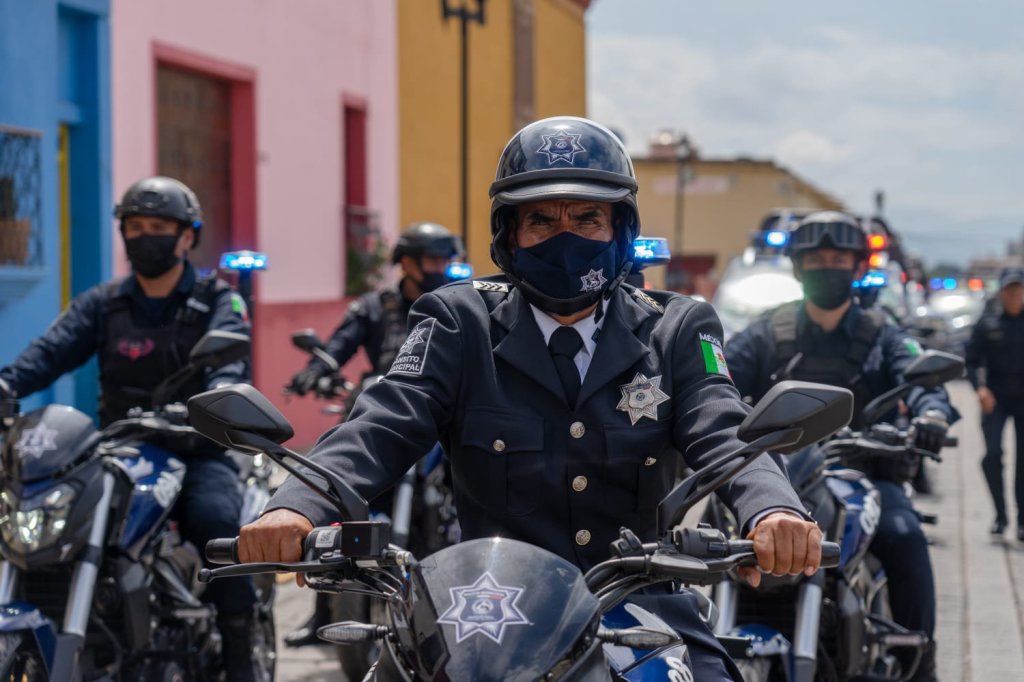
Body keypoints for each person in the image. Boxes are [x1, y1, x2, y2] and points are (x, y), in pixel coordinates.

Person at [240, 116, 824, 681]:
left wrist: (773, 509)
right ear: (509, 237)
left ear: (620, 231)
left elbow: (722, 426)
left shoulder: (675, 329)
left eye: (587, 218)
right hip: (488, 611)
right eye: (541, 220)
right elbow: (384, 422)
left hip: (639, 604)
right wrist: (295, 505)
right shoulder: (458, 321)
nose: (565, 237)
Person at [0, 176, 260, 682]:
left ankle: (240, 653)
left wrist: (215, 401)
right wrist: (7, 384)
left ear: (187, 236)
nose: (144, 237)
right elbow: (49, 353)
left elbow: (229, 366)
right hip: (118, 451)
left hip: (196, 449)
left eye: (158, 227)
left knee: (217, 521)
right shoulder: (103, 303)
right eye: (134, 227)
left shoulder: (217, 301)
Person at [725, 211, 956, 682]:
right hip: (778, 476)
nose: (827, 268)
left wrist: (931, 415)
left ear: (857, 267)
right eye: (816, 260)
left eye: (837, 260)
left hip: (864, 473)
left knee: (905, 537)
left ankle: (921, 663)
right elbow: (716, 380)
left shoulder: (882, 332)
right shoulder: (767, 331)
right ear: (798, 267)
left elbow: (922, 381)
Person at [283, 221, 462, 648]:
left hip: (439, 424)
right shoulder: (373, 308)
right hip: (384, 417)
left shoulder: (458, 304)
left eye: (444, 260)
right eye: (430, 260)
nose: (439, 268)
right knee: (341, 506)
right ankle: (323, 613)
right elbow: (340, 344)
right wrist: (316, 369)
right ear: (406, 263)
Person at [966, 266, 1024, 539]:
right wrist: (980, 389)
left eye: (1018, 290)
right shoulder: (988, 322)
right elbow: (971, 360)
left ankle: (1022, 521)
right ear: (1001, 292)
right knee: (991, 455)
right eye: (1009, 290)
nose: (1014, 295)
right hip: (995, 397)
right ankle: (1001, 516)